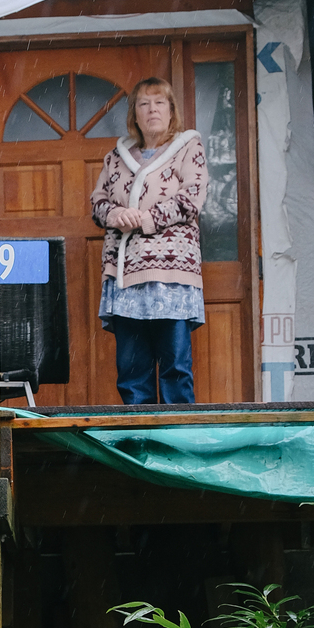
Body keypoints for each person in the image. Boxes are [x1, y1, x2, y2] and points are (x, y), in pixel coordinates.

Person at [90, 77, 208, 405]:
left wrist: (145, 219)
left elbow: (192, 197)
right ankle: (139, 442)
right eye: (144, 104)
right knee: (132, 371)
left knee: (175, 367)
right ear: (135, 115)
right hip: (126, 276)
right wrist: (114, 215)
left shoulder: (188, 146)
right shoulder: (117, 157)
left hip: (171, 275)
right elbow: (98, 203)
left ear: (171, 112)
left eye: (159, 103)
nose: (152, 109)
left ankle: (179, 443)